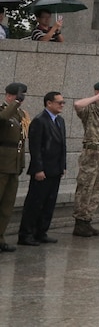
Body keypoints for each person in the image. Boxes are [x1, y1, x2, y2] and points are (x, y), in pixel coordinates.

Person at [18, 91, 67, 246]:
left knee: (49, 203)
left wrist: (63, 166)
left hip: (55, 169)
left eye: (63, 102)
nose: (62, 105)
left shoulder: (60, 121)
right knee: (35, 203)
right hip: (43, 170)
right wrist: (38, 168)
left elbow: (62, 146)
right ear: (49, 103)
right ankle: (26, 234)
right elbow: (35, 147)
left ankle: (41, 232)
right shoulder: (40, 121)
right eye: (59, 102)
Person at [71, 81, 99, 237]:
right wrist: (96, 97)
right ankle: (79, 222)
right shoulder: (89, 108)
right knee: (85, 187)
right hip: (91, 154)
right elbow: (77, 105)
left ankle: (87, 220)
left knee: (97, 189)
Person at [0, 83, 29, 252]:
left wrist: (21, 163)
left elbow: (21, 142)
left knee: (7, 205)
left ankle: (1, 237)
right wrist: (14, 104)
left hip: (13, 165)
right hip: (2, 164)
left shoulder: (19, 115)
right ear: (9, 95)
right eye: (18, 95)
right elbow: (3, 119)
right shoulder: (5, 110)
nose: (21, 99)